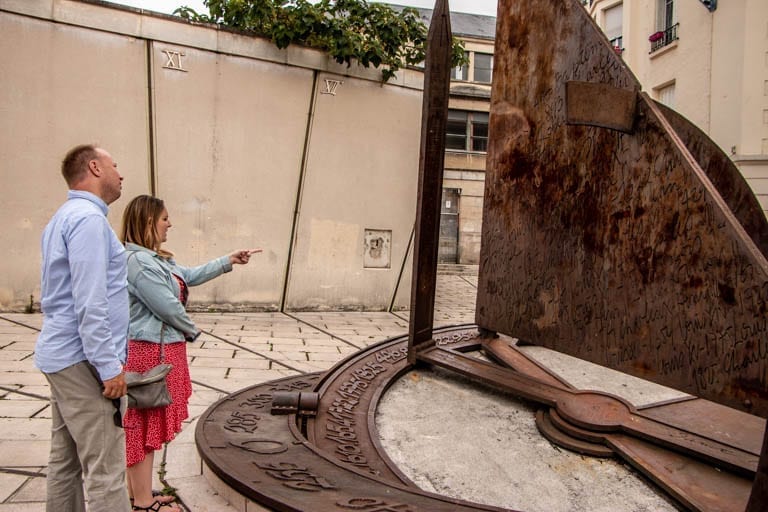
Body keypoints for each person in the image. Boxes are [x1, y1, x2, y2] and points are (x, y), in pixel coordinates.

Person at [119, 194, 260, 512]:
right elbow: (165, 306)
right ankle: (142, 503)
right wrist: (191, 330)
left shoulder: (155, 259)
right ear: (148, 222)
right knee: (143, 427)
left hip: (161, 349)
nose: (170, 223)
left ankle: (138, 493)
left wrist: (228, 261)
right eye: (165, 218)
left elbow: (189, 276)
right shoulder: (139, 262)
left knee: (144, 425)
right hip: (151, 353)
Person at [35, 144, 131, 512]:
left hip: (62, 355)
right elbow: (90, 302)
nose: (120, 174)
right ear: (94, 167)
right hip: (82, 361)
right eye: (114, 165)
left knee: (65, 461)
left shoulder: (64, 216)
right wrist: (109, 367)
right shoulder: (88, 220)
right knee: (105, 469)